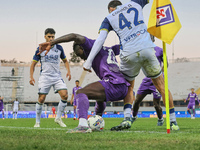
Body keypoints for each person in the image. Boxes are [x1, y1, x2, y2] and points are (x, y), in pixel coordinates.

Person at [82, 0, 179, 131]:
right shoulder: (135, 3)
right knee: (162, 86)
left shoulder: (109, 18)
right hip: (147, 48)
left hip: (128, 53)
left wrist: (88, 62)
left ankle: (127, 119)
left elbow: (100, 40)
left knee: (128, 86)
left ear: (110, 9)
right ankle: (173, 122)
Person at [39, 33, 130, 133]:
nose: (82, 58)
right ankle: (97, 119)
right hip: (124, 87)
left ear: (82, 47)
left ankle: (82, 125)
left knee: (81, 92)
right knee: (99, 98)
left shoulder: (91, 45)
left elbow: (74, 36)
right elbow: (124, 47)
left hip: (113, 83)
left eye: (79, 54)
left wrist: (52, 42)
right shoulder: (109, 49)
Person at [29, 28, 71, 128]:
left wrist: (68, 71)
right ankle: (37, 122)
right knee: (42, 98)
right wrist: (31, 76)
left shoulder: (59, 48)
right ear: (45, 37)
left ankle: (58, 118)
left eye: (53, 36)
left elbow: (65, 60)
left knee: (65, 95)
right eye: (49, 36)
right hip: (45, 77)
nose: (51, 38)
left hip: (57, 76)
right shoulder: (40, 49)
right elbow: (33, 64)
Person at [132, 44, 164, 126]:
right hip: (147, 80)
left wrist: (160, 74)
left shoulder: (160, 50)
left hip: (157, 80)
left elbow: (166, 64)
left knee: (156, 104)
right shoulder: (142, 50)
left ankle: (160, 119)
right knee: (137, 101)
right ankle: (134, 116)